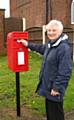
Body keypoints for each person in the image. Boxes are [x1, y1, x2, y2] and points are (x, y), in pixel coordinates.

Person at [20, 20, 72, 120]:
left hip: (54, 88)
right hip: (48, 86)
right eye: (48, 30)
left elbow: (65, 71)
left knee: (56, 114)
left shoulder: (63, 48)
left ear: (60, 31)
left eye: (54, 30)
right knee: (50, 112)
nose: (51, 33)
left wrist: (57, 88)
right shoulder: (52, 44)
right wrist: (27, 44)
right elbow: (41, 48)